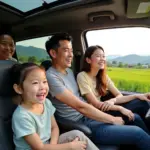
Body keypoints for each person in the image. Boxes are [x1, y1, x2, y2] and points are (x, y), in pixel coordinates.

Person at [45, 33, 150, 149]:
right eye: (66, 50)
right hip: (82, 123)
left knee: (135, 117)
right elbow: (80, 106)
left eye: (71, 50)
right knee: (137, 133)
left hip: (91, 116)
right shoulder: (51, 77)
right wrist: (112, 119)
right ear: (53, 53)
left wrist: (136, 97)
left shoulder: (68, 72)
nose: (71, 54)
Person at [11, 62, 99, 150]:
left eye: (44, 81)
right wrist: (70, 146)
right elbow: (39, 147)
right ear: (19, 89)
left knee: (77, 134)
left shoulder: (46, 103)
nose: (42, 87)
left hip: (49, 144)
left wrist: (54, 146)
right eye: (35, 83)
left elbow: (54, 128)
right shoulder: (22, 116)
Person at [77, 45, 150, 120]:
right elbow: (96, 104)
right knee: (135, 117)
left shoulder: (103, 76)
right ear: (88, 60)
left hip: (105, 108)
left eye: (103, 56)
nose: (102, 59)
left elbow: (119, 95)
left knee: (143, 103)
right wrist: (120, 108)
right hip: (96, 112)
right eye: (98, 56)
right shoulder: (82, 76)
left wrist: (137, 96)